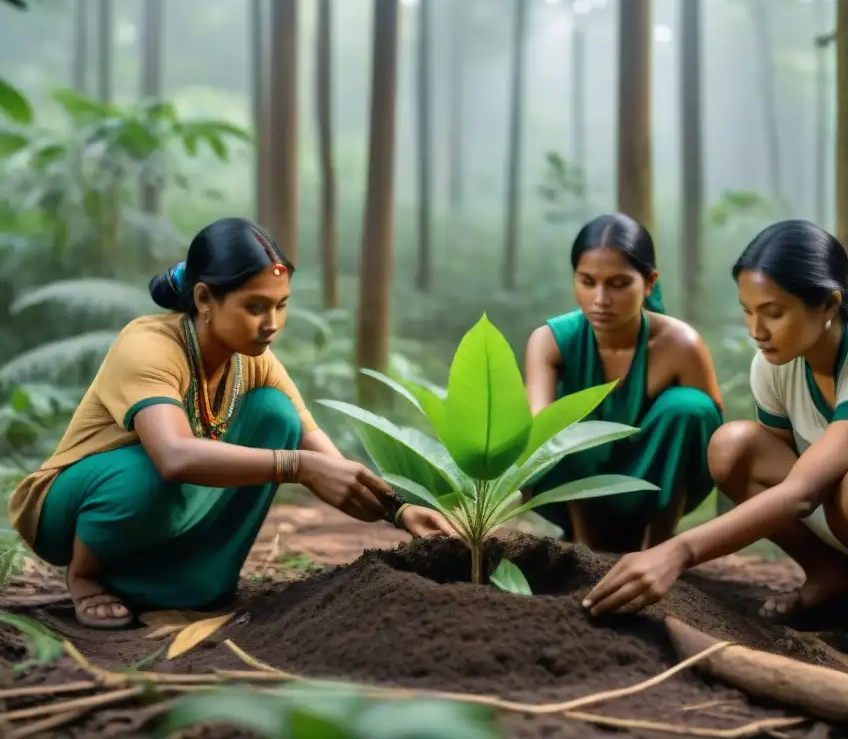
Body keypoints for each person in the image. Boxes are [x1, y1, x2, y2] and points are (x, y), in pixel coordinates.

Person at [582, 219, 848, 658]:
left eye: (774, 312)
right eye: (747, 311)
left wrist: (674, 552)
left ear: (828, 304)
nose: (757, 330)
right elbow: (775, 469)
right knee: (733, 447)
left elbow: (800, 493)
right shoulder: (775, 363)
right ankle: (833, 581)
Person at [7, 217, 455, 629]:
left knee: (276, 415)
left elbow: (324, 460)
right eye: (255, 307)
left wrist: (398, 510)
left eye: (281, 306)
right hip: (68, 509)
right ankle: (85, 575)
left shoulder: (254, 363)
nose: (272, 324)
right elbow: (175, 457)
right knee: (152, 468)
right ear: (204, 298)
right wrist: (294, 466)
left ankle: (178, 579)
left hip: (162, 501)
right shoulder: (149, 345)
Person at [522, 213, 725, 553]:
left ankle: (659, 546)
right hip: (567, 489)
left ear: (648, 282)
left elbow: (708, 441)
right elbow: (537, 425)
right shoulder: (551, 341)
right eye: (587, 282)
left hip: (654, 486)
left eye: (618, 284)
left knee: (690, 407)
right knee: (560, 418)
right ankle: (583, 544)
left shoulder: (682, 346)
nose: (600, 299)